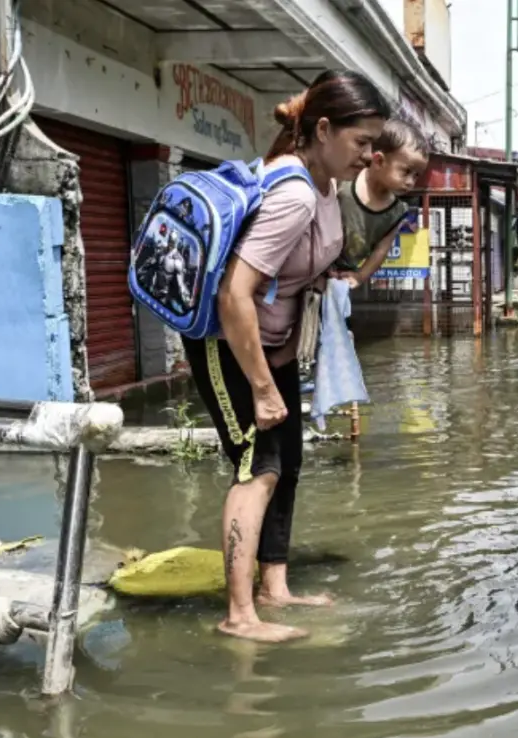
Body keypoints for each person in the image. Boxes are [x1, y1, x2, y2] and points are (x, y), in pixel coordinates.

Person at [180, 70, 392, 644]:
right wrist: (263, 387)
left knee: (288, 462)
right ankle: (238, 616)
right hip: (228, 345)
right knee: (259, 467)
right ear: (323, 130)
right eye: (361, 142)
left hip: (271, 344)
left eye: (376, 143)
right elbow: (234, 294)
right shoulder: (295, 193)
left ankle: (275, 589)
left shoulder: (321, 185)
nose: (371, 156)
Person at [333, 118, 430, 287]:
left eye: (416, 175)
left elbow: (381, 250)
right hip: (310, 267)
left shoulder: (397, 212)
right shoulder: (347, 178)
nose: (410, 182)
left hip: (339, 278)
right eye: (406, 171)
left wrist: (360, 276)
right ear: (379, 161)